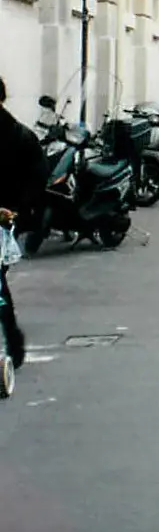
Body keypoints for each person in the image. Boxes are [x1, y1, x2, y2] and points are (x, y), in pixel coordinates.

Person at [0, 77, 43, 367]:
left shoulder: (18, 136)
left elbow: (36, 178)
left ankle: (13, 340)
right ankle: (13, 340)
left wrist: (16, 210)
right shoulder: (21, 134)